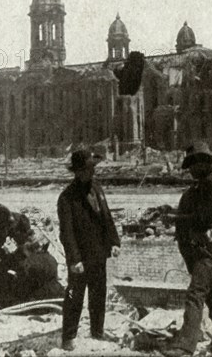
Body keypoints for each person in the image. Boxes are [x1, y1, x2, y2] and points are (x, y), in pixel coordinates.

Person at [162, 141, 212, 357]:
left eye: (192, 164)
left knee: (195, 294)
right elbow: (198, 211)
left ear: (202, 162)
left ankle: (185, 345)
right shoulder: (206, 182)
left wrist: (174, 217)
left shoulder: (211, 184)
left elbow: (203, 218)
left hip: (209, 248)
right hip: (208, 246)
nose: (190, 169)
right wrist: (174, 212)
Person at [57, 149, 121, 351]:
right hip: (80, 258)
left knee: (98, 294)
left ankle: (97, 332)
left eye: (93, 168)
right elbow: (67, 233)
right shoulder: (67, 198)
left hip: (99, 253)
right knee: (75, 296)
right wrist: (74, 260)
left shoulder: (97, 190)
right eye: (88, 169)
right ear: (77, 171)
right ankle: (68, 337)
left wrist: (114, 241)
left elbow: (107, 217)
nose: (92, 172)